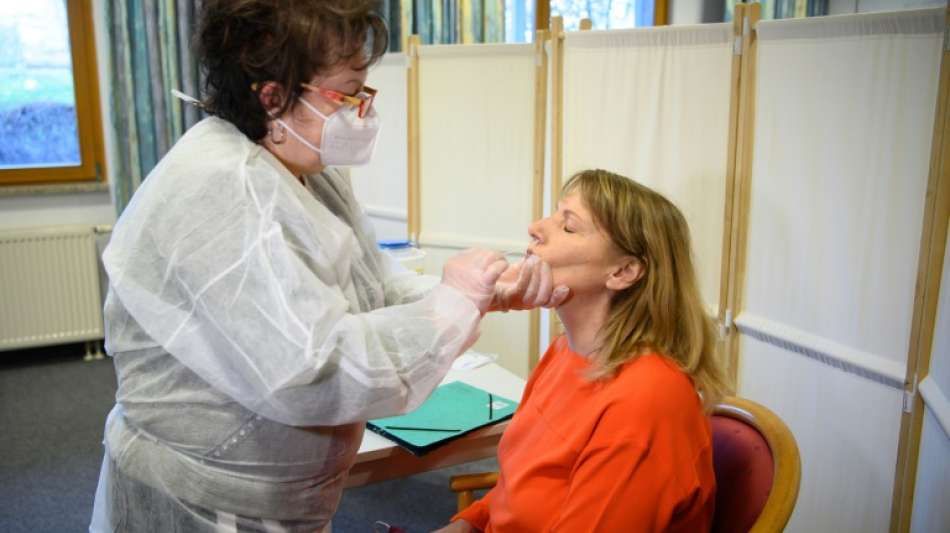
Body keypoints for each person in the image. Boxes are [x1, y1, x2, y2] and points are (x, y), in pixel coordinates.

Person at [89, 1, 567, 531]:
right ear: (273, 97)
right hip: (204, 498)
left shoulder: (302, 166)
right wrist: (452, 305)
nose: (363, 111)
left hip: (280, 490)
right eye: (348, 94)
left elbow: (372, 286)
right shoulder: (224, 191)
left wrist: (480, 294)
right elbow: (313, 370)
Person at [436, 169, 730, 533]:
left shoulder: (646, 400)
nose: (535, 227)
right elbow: (518, 490)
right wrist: (467, 524)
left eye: (568, 226)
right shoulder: (563, 352)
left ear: (623, 272)